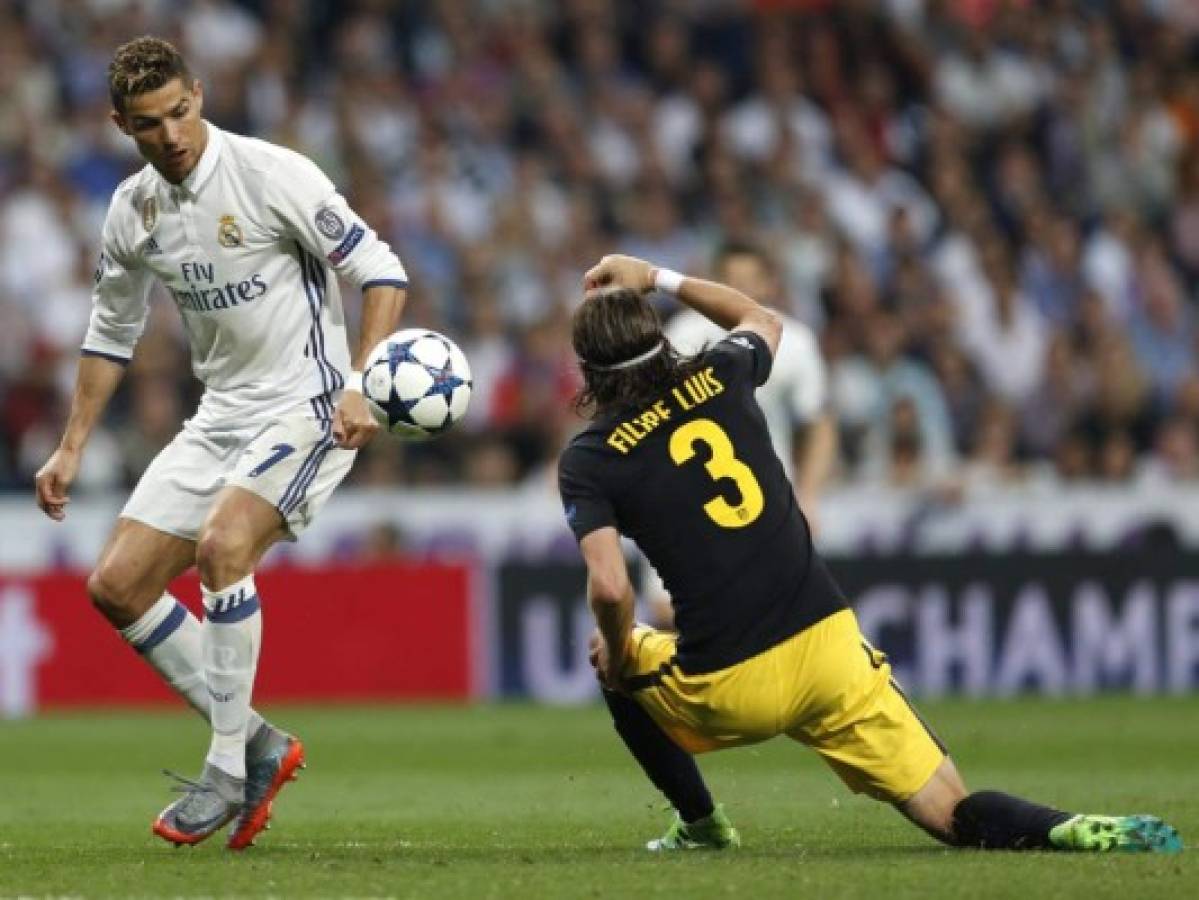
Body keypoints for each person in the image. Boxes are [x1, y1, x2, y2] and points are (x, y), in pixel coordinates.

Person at [557, 253, 1182, 854]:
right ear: (660, 338)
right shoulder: (720, 375)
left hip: (728, 682)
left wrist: (617, 649)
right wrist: (657, 275)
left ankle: (701, 825)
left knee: (607, 652)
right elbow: (764, 321)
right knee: (951, 810)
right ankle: (1067, 827)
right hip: (831, 649)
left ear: (587, 370)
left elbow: (612, 590)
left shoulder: (589, 459)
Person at [32, 37, 408, 849]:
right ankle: (262, 744)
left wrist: (359, 380)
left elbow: (382, 272)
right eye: (147, 124)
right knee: (117, 585)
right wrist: (71, 446)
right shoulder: (132, 208)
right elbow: (110, 332)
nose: (170, 134)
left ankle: (228, 767)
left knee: (223, 546)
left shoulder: (275, 175)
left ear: (198, 95)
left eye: (179, 112)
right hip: (221, 415)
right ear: (118, 125)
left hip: (310, 403)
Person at [644, 241, 835, 627]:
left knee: (770, 613)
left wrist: (810, 494)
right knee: (669, 612)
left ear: (770, 283)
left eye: (751, 281)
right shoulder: (683, 334)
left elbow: (818, 424)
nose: (742, 291)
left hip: (767, 499)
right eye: (732, 281)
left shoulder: (793, 341)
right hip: (688, 495)